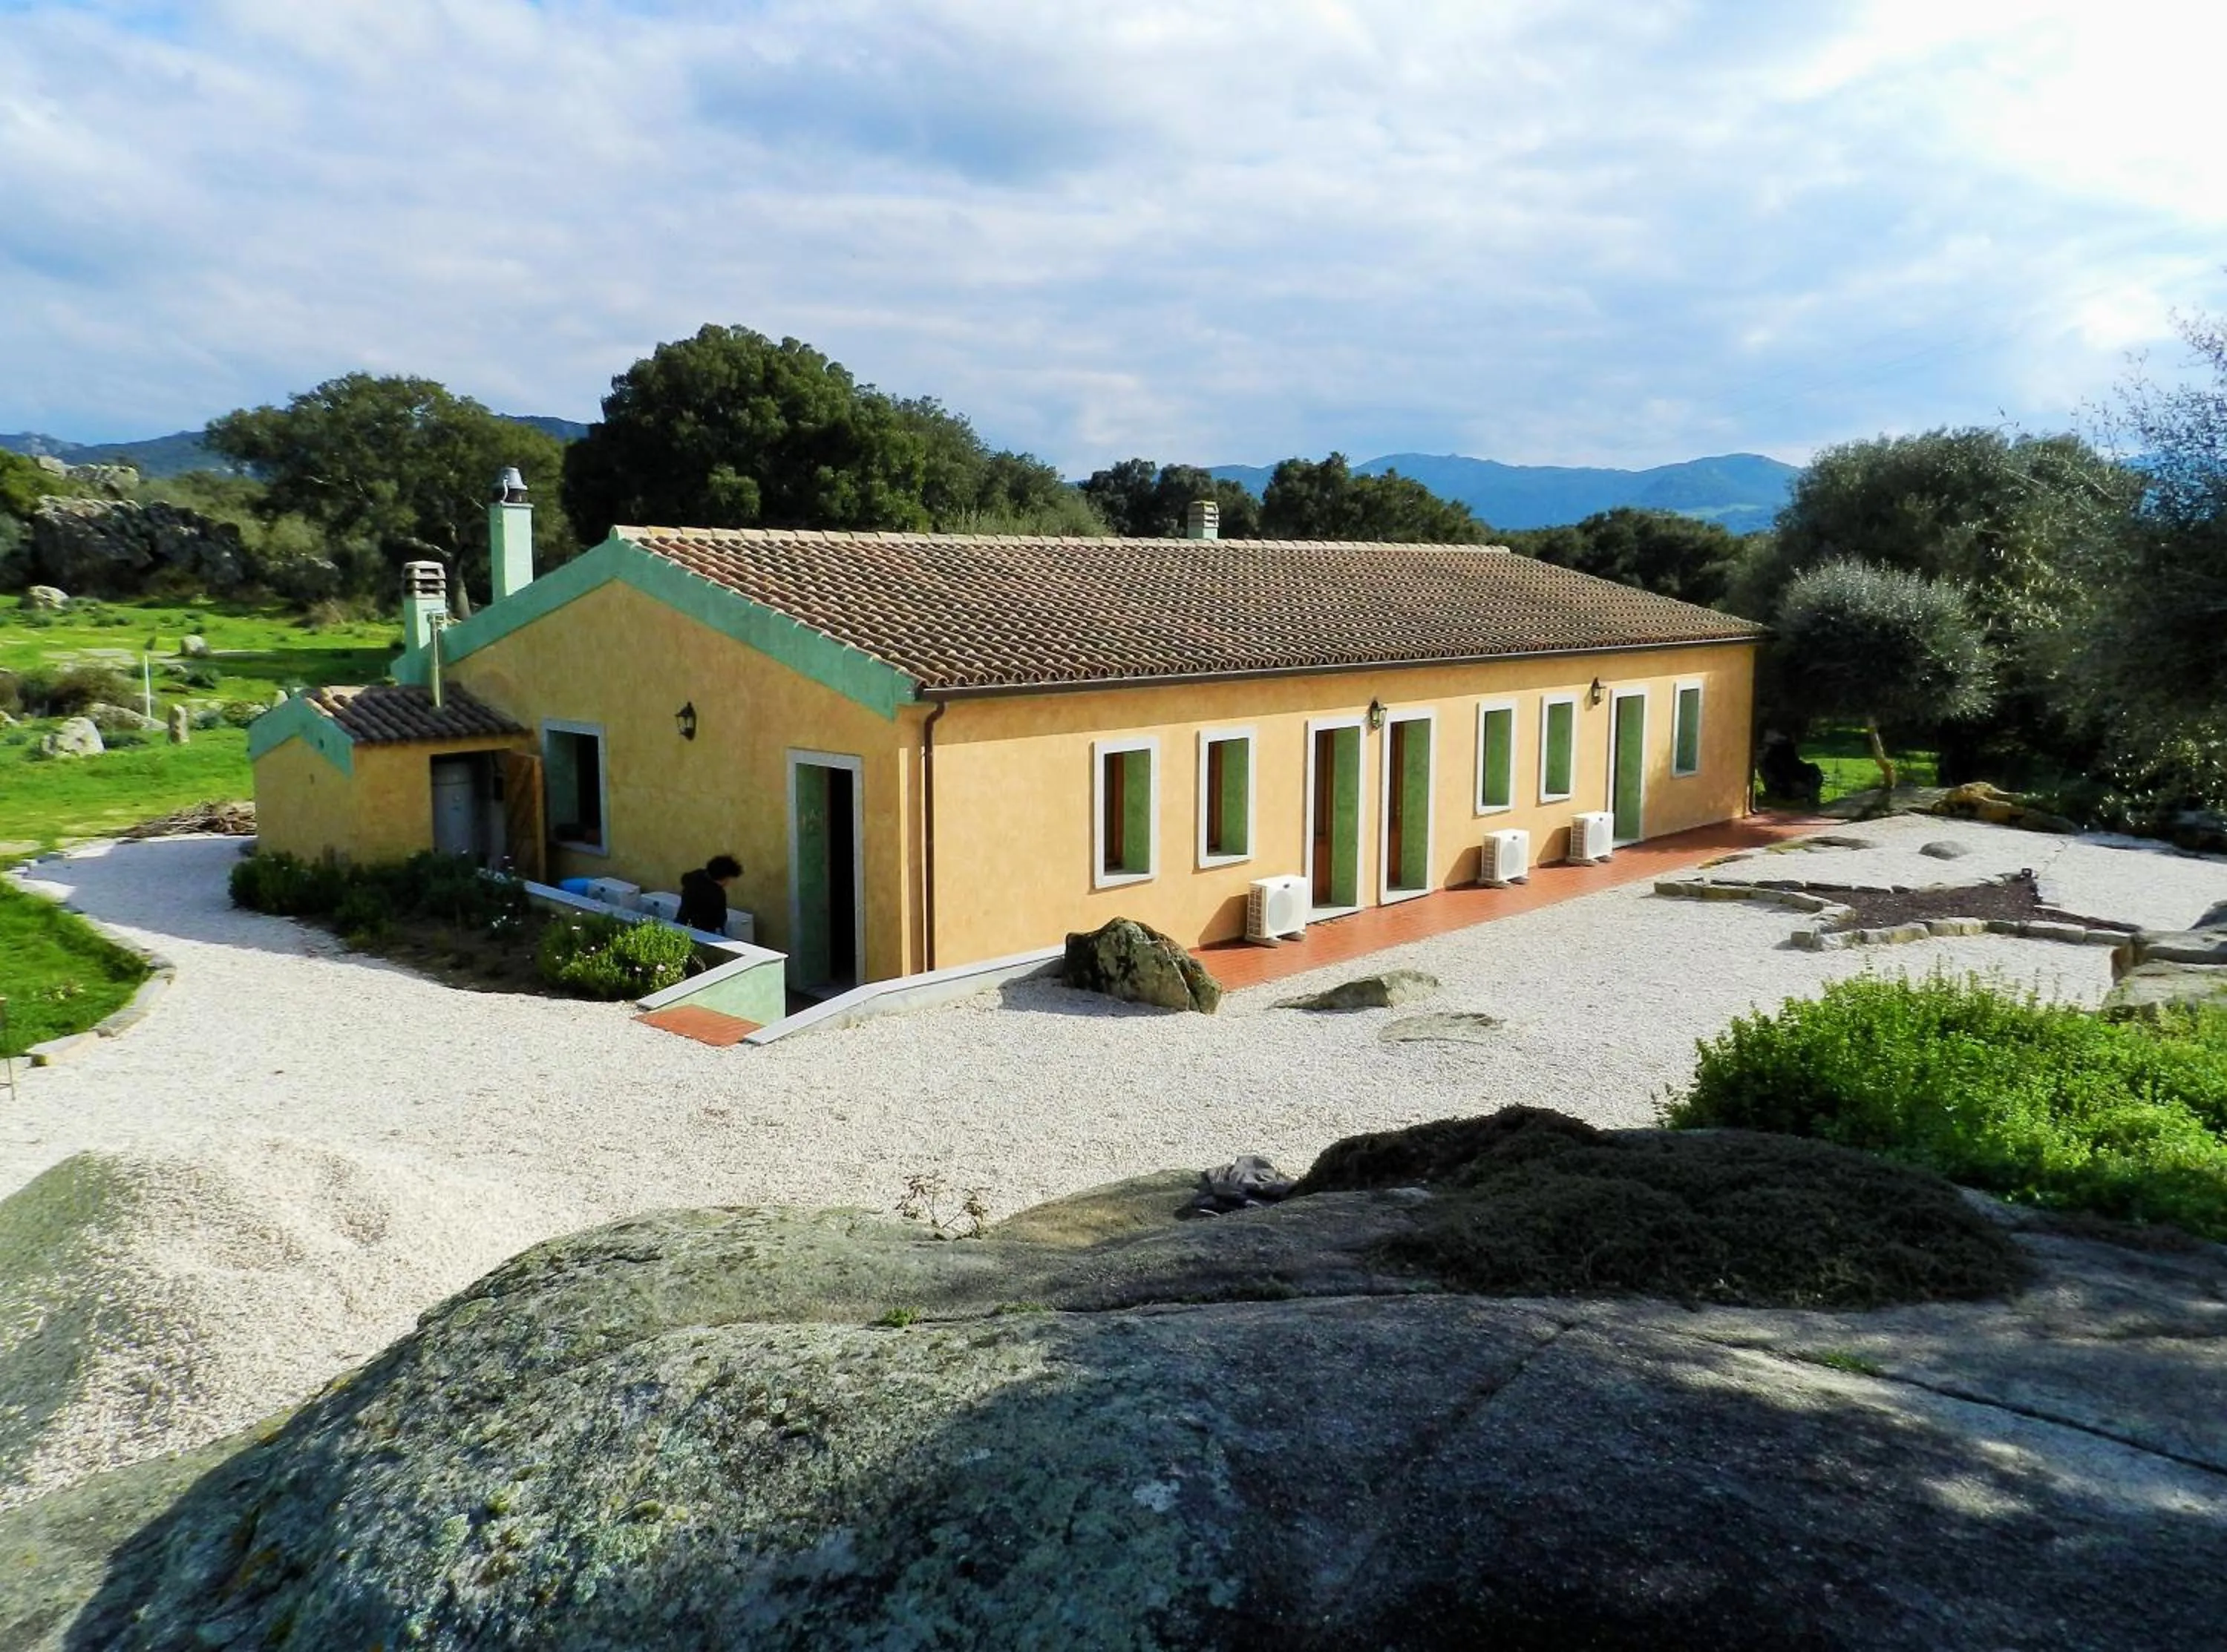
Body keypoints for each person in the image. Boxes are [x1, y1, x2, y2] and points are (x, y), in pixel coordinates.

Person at [676, 853, 741, 934]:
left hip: (682, 922)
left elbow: (684, 879)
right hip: (704, 930)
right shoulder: (717, 894)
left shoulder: (696, 875)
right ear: (723, 878)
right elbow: (720, 919)